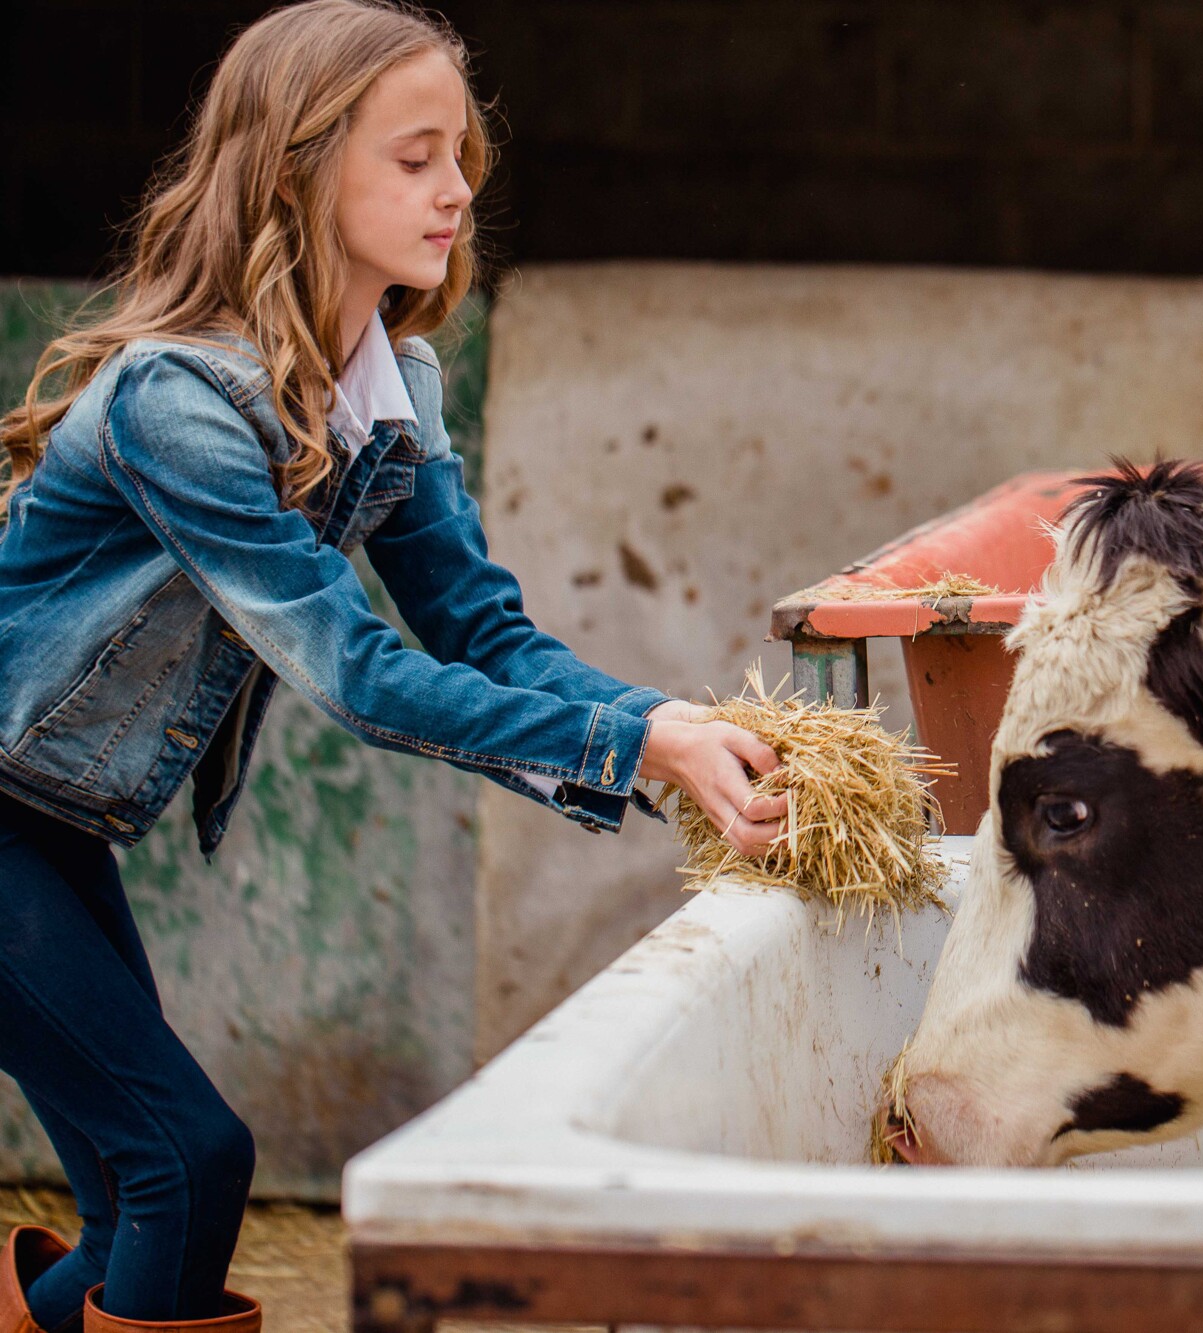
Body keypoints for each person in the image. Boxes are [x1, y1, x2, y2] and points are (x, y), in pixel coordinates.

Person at [0, 3, 788, 1328]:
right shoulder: (176, 400)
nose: (458, 188)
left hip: (54, 818)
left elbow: (483, 632)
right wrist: (638, 747)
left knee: (138, 1195)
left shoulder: (394, 388)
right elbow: (354, 673)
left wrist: (665, 720)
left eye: (462, 153)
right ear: (303, 172)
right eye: (414, 157)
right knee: (190, 1164)